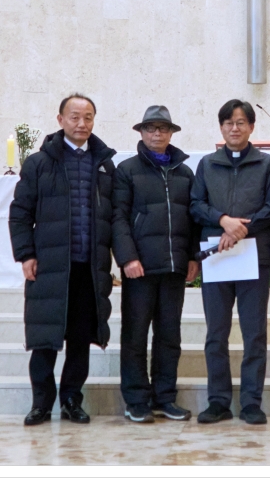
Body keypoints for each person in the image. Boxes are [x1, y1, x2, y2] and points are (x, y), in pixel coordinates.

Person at [9, 94, 116, 426]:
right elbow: (20, 213)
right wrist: (26, 254)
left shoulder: (103, 164)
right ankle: (41, 403)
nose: (82, 123)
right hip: (51, 265)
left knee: (80, 339)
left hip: (89, 267)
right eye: (74, 117)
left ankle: (71, 399)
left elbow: (113, 217)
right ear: (60, 120)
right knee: (45, 338)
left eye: (88, 117)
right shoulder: (39, 163)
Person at [190, 99, 270, 425]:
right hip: (216, 257)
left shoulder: (267, 164)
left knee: (254, 333)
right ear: (221, 127)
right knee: (216, 333)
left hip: (253, 257)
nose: (234, 128)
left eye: (241, 122)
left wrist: (242, 229)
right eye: (229, 122)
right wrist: (223, 220)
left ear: (251, 127)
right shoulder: (207, 165)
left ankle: (251, 403)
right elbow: (195, 205)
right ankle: (218, 402)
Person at [111, 105, 200, 423]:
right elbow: (118, 218)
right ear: (141, 132)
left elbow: (193, 219)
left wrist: (193, 257)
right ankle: (136, 400)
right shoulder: (127, 170)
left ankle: (165, 398)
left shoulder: (185, 173)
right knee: (135, 335)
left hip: (174, 267)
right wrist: (127, 257)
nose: (157, 133)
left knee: (169, 336)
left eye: (163, 128)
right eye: (151, 128)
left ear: (171, 133)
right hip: (140, 267)